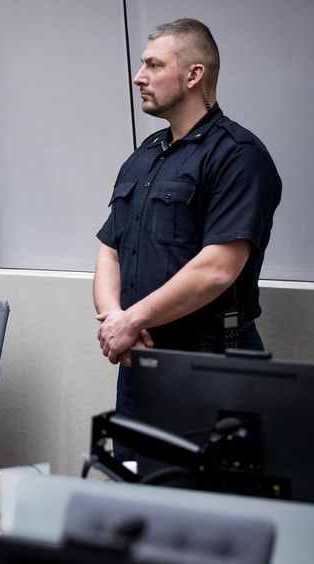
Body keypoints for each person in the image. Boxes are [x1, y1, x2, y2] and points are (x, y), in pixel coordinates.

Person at [93, 18, 282, 418]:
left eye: (154, 65)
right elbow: (110, 249)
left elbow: (217, 269)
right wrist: (115, 321)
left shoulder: (238, 155)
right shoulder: (145, 155)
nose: (139, 76)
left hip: (210, 359)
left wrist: (131, 321)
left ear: (194, 75)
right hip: (140, 355)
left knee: (212, 462)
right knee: (133, 458)